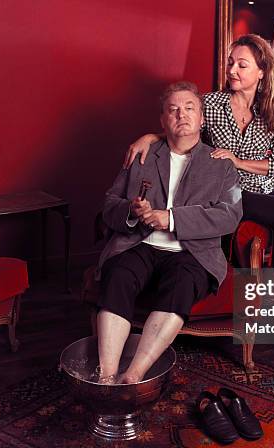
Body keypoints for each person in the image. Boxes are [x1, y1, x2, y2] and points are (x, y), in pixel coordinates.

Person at [123, 34, 274, 370]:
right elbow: (182, 121)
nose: (232, 69)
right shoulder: (212, 104)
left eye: (242, 64)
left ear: (261, 72)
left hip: (265, 191)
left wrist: (238, 159)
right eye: (231, 62)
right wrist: (149, 136)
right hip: (229, 193)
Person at [96, 81, 242, 384]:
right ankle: (106, 376)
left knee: (181, 285)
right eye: (173, 110)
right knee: (118, 275)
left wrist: (172, 219)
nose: (182, 115)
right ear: (163, 121)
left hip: (192, 253)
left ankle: (134, 375)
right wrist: (131, 213)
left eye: (190, 108)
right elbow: (110, 204)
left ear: (202, 119)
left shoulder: (221, 165)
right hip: (138, 244)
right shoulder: (142, 154)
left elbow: (230, 216)